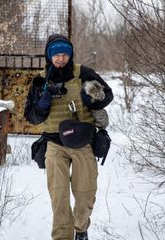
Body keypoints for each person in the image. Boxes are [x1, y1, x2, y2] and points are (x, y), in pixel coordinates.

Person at [24, 34, 113, 240]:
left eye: (65, 54)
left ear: (70, 54)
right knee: (59, 198)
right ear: (49, 56)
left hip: (83, 142)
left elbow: (108, 95)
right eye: (56, 55)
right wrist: (42, 104)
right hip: (54, 144)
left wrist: (91, 100)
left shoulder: (83, 73)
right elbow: (31, 117)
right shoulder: (40, 80)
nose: (61, 59)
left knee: (85, 195)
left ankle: (81, 228)